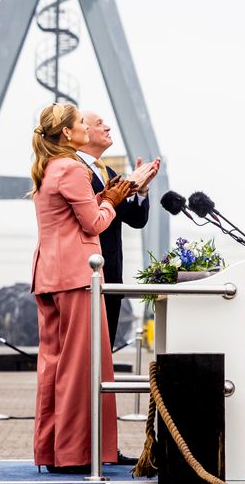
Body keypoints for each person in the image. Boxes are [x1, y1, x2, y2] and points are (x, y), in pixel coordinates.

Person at [31, 103, 135, 474]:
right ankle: (78, 452)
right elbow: (93, 223)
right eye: (79, 124)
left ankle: (54, 450)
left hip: (49, 274)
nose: (86, 129)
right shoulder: (72, 169)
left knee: (55, 367)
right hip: (78, 277)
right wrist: (110, 200)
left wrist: (105, 196)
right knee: (85, 367)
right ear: (67, 134)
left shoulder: (47, 169)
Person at [75, 110, 160, 349]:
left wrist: (141, 191)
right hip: (84, 279)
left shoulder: (108, 174)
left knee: (104, 353)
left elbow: (136, 219)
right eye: (100, 124)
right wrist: (124, 186)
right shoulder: (74, 169)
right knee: (86, 354)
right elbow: (88, 214)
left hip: (111, 278)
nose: (108, 128)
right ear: (83, 131)